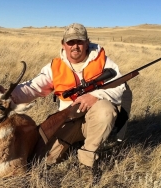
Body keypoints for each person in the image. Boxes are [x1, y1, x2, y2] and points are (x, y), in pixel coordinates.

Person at [11, 23, 127, 177]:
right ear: (63, 44)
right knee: (42, 159)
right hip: (69, 118)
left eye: (79, 42)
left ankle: (87, 159)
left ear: (87, 42)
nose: (75, 46)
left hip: (94, 120)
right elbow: (33, 87)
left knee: (105, 110)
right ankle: (72, 143)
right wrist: (9, 94)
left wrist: (95, 96)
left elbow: (121, 88)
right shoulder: (55, 66)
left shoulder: (102, 61)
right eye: (70, 42)